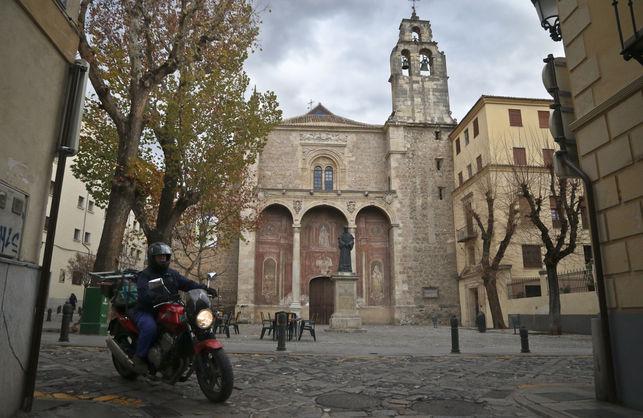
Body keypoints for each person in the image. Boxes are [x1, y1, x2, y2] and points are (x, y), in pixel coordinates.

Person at [130, 242, 216, 375]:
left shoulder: (172, 274)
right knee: (150, 328)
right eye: (159, 256)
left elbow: (187, 284)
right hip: (147, 311)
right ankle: (139, 358)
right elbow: (143, 292)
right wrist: (153, 297)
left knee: (188, 324)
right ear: (153, 258)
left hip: (168, 308)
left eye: (165, 256)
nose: (163, 259)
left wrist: (204, 288)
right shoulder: (145, 275)